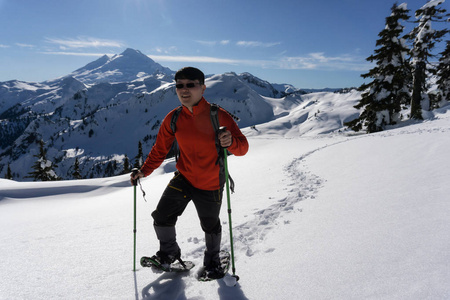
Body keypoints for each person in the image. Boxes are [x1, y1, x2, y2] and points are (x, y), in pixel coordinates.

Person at [130, 67, 249, 278]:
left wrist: (230, 142)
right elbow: (159, 150)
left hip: (211, 181)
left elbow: (243, 147)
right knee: (161, 216)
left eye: (190, 85)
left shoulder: (218, 115)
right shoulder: (174, 118)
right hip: (184, 177)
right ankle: (168, 255)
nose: (184, 90)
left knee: (210, 225)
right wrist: (143, 171)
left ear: (202, 88)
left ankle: (213, 261)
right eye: (179, 86)